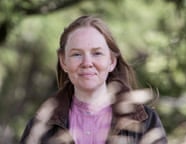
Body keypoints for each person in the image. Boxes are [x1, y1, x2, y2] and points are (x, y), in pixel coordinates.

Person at [20, 15, 167, 144]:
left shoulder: (146, 121)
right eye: (77, 54)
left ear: (111, 61)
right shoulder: (41, 126)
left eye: (97, 53)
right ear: (63, 62)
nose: (87, 63)